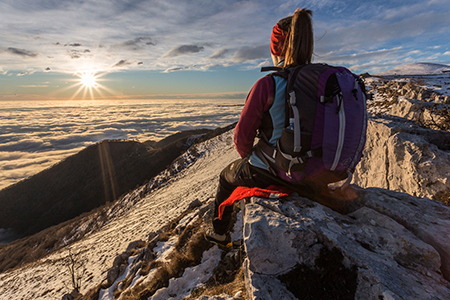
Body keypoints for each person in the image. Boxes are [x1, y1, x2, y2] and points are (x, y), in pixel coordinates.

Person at [205, 8, 321, 247]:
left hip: (280, 170)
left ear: (276, 48)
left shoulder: (269, 84)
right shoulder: (322, 83)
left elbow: (242, 139)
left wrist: (252, 156)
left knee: (226, 177)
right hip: (319, 170)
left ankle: (219, 233)